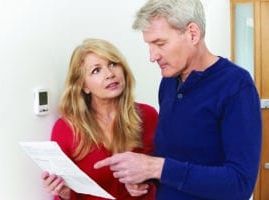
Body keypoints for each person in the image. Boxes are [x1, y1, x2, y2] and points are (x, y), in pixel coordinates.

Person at [94, 0, 262, 199]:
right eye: (149, 45)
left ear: (192, 34)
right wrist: (146, 176)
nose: (152, 56)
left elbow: (240, 184)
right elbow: (174, 159)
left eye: (160, 43)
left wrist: (156, 168)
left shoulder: (236, 86)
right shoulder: (168, 84)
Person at [41, 38, 158, 200]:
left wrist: (147, 182)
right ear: (84, 86)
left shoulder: (149, 116)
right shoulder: (66, 129)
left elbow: (164, 171)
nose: (110, 74)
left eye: (113, 64)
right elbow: (66, 194)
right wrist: (65, 195)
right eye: (96, 70)